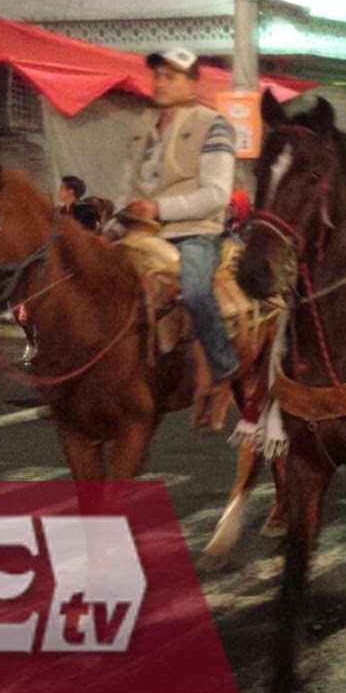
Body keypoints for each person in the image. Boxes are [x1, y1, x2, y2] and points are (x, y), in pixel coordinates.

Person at [123, 46, 238, 431]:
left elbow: (217, 194)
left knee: (194, 291)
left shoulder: (214, 124)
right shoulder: (142, 124)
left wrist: (160, 209)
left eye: (171, 76)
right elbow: (130, 184)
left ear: (192, 82)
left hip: (195, 233)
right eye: (157, 75)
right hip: (142, 232)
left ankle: (225, 368)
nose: (160, 82)